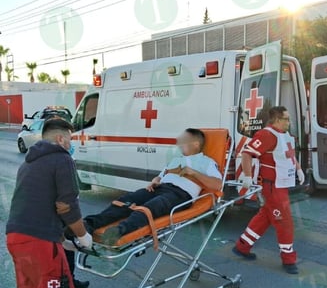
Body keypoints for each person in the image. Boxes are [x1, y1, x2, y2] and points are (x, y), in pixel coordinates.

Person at [6, 118, 93, 288]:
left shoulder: (28, 163)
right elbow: (67, 206)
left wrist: (61, 238)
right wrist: (83, 237)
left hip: (16, 238)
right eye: (70, 140)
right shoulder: (62, 159)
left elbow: (36, 204)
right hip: (40, 243)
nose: (70, 145)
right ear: (60, 138)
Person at [84, 128, 222, 245]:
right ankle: (90, 223)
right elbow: (161, 176)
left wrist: (194, 173)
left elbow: (218, 184)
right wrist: (155, 180)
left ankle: (119, 231)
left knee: (150, 207)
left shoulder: (206, 162)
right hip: (159, 188)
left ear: (196, 144)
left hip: (179, 194)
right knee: (126, 200)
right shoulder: (176, 160)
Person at [232, 106, 305, 275]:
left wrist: (298, 169)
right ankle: (289, 260)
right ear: (277, 120)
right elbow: (247, 154)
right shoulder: (266, 135)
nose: (289, 121)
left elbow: (290, 155)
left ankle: (242, 246)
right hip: (272, 186)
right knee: (284, 222)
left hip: (281, 184)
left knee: (265, 216)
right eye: (286, 119)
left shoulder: (284, 135)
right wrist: (248, 176)